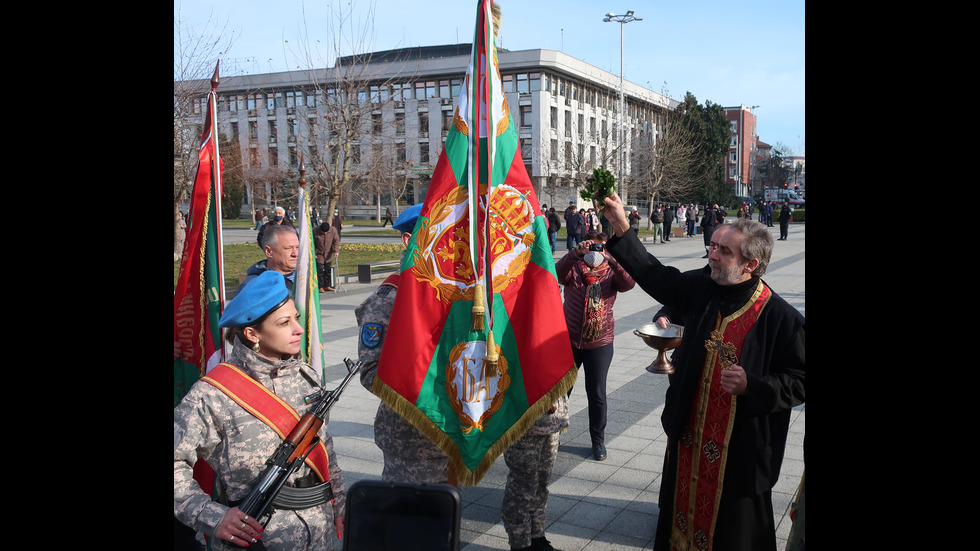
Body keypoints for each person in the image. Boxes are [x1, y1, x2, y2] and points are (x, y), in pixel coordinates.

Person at [601, 193, 805, 551]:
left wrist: (754, 386)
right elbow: (658, 277)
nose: (712, 254)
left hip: (739, 455)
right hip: (689, 441)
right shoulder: (703, 287)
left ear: (751, 264)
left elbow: (801, 379)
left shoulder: (782, 319)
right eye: (712, 246)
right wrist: (621, 225)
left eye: (724, 251)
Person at [174, 271, 347, 550]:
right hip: (257, 539)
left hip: (319, 531)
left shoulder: (305, 376)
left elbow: (323, 446)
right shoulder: (214, 393)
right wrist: (212, 516)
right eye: (284, 322)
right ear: (252, 333)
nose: (298, 329)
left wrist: (339, 502)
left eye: (296, 318)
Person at [355, 204, 451, 484]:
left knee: (444, 517)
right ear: (408, 240)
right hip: (411, 438)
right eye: (434, 234)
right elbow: (371, 373)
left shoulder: (444, 291)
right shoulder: (389, 298)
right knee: (410, 521)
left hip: (449, 430)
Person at [555, 231, 635, 461]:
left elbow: (629, 283)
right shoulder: (575, 268)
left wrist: (613, 259)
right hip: (569, 340)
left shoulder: (610, 271)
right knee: (561, 391)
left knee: (597, 393)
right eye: (591, 247)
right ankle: (554, 434)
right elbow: (557, 274)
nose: (595, 253)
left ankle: (597, 441)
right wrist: (574, 253)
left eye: (600, 248)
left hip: (600, 341)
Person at [501, 396, 569, 551]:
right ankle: (520, 543)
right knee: (522, 488)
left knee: (541, 484)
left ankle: (537, 536)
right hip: (523, 422)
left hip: (551, 421)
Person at [240, 224, 299, 291]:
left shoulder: (307, 279)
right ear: (268, 251)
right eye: (288, 248)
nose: (295, 254)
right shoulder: (255, 287)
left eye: (297, 247)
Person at [314, 221, 340, 292]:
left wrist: (336, 250)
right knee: (319, 270)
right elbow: (312, 243)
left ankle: (327, 285)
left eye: (326, 232)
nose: (325, 233)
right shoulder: (315, 231)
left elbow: (336, 241)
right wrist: (313, 253)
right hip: (319, 253)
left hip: (328, 253)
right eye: (323, 232)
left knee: (327, 269)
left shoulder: (333, 230)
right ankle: (320, 286)